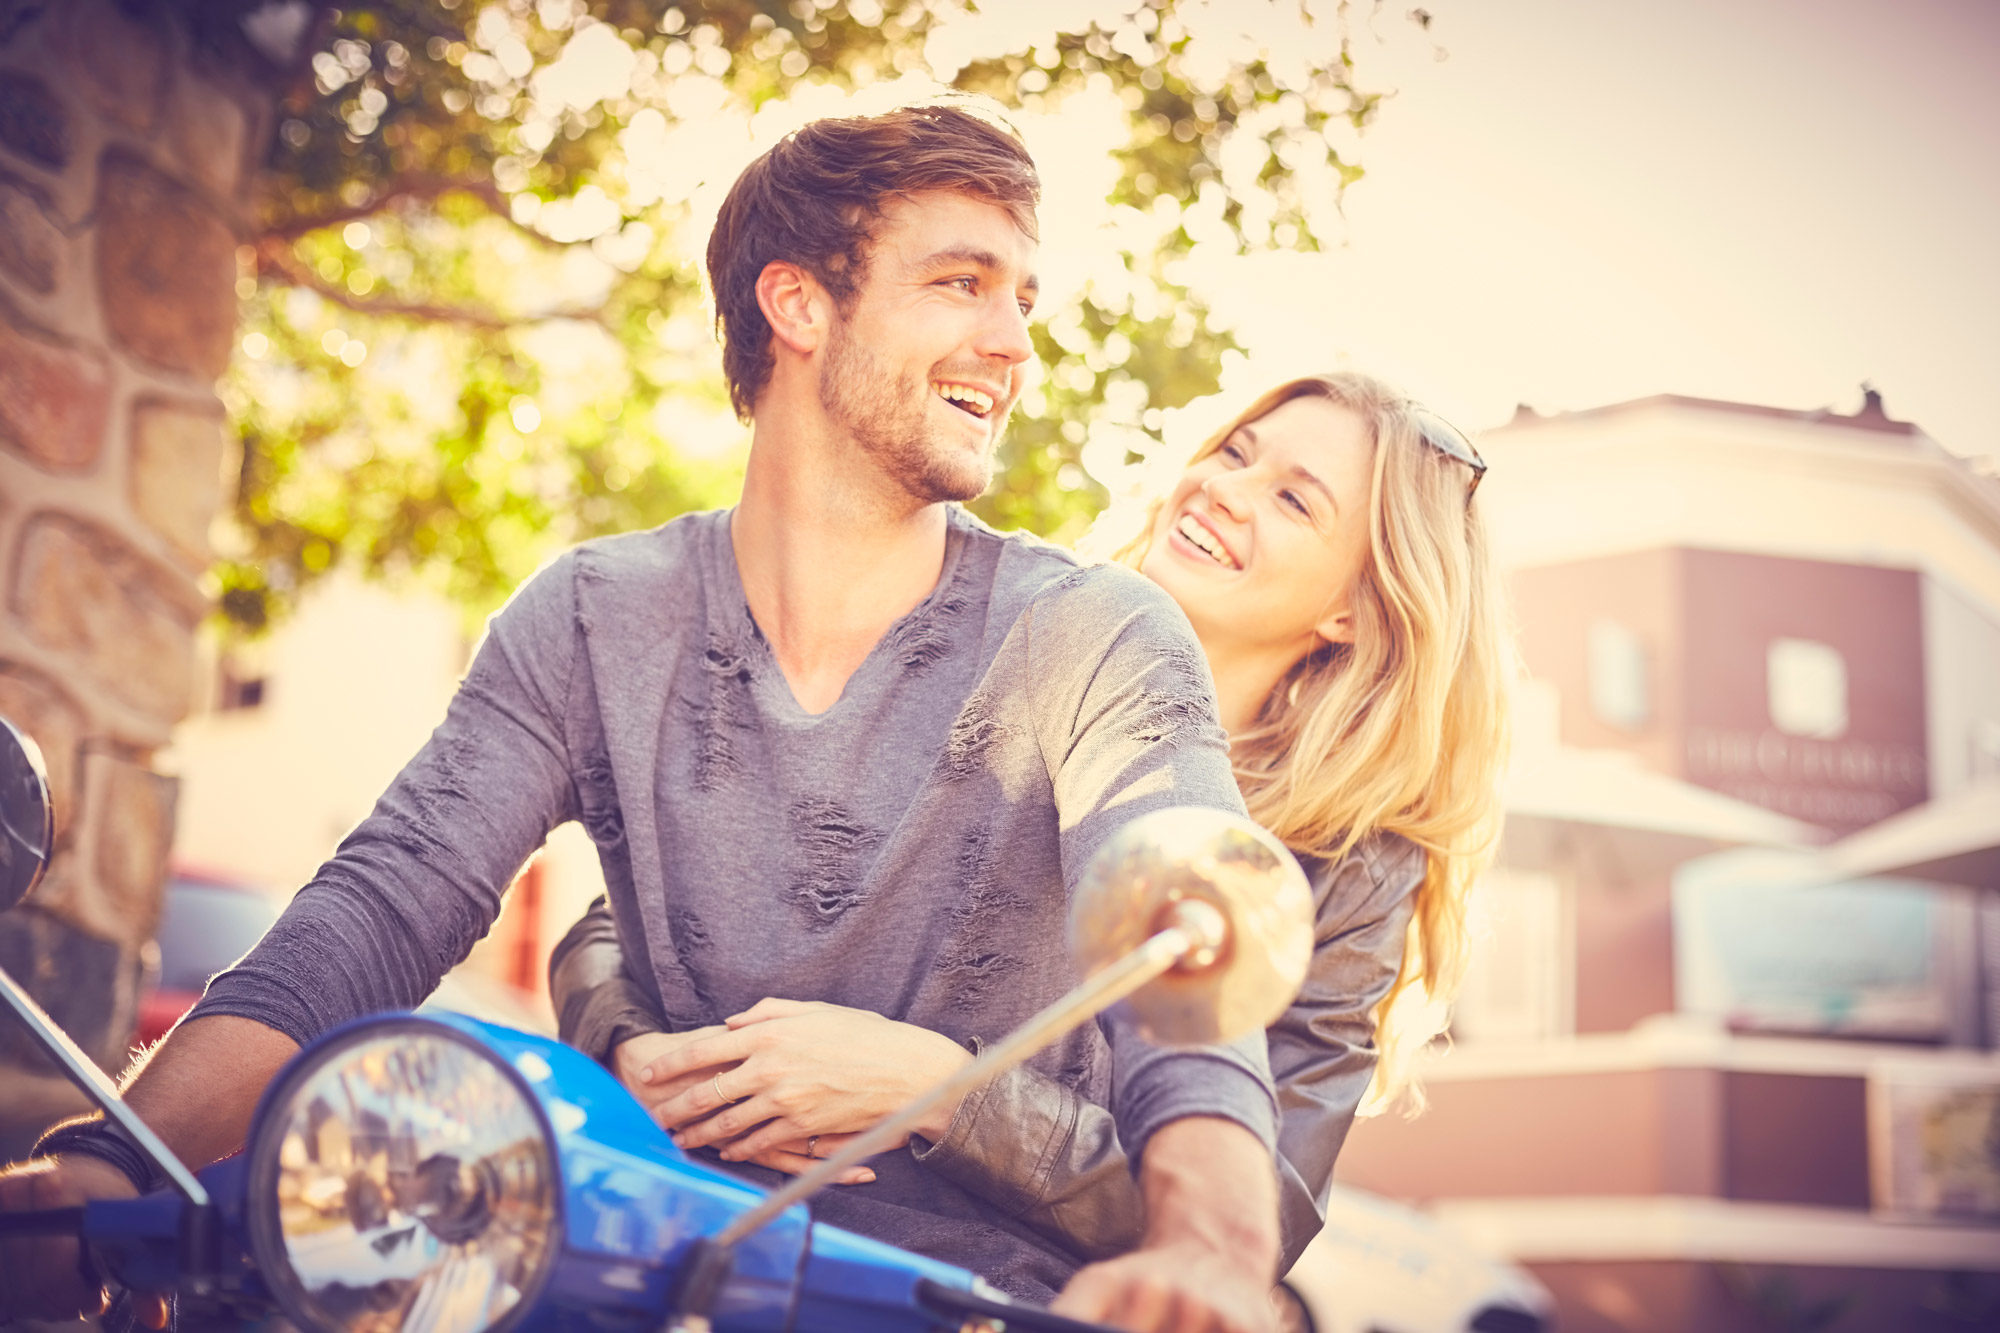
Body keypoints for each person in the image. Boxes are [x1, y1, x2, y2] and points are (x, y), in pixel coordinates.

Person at [0, 102, 1285, 1333]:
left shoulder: (1094, 632)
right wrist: (117, 1164)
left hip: (964, 1306)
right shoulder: (591, 615)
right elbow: (383, 903)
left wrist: (1210, 1251)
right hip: (630, 1281)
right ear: (797, 301)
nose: (1013, 342)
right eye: (962, 282)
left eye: (1022, 298)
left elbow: (1182, 931)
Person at [547, 370, 1511, 1298]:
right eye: (1235, 452)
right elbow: (630, 913)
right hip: (697, 1229)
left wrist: (942, 1095)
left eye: (1296, 501)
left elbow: (1259, 1212)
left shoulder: (1353, 869)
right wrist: (636, 1048)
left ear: (1354, 606)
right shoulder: (981, 636)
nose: (1224, 490)